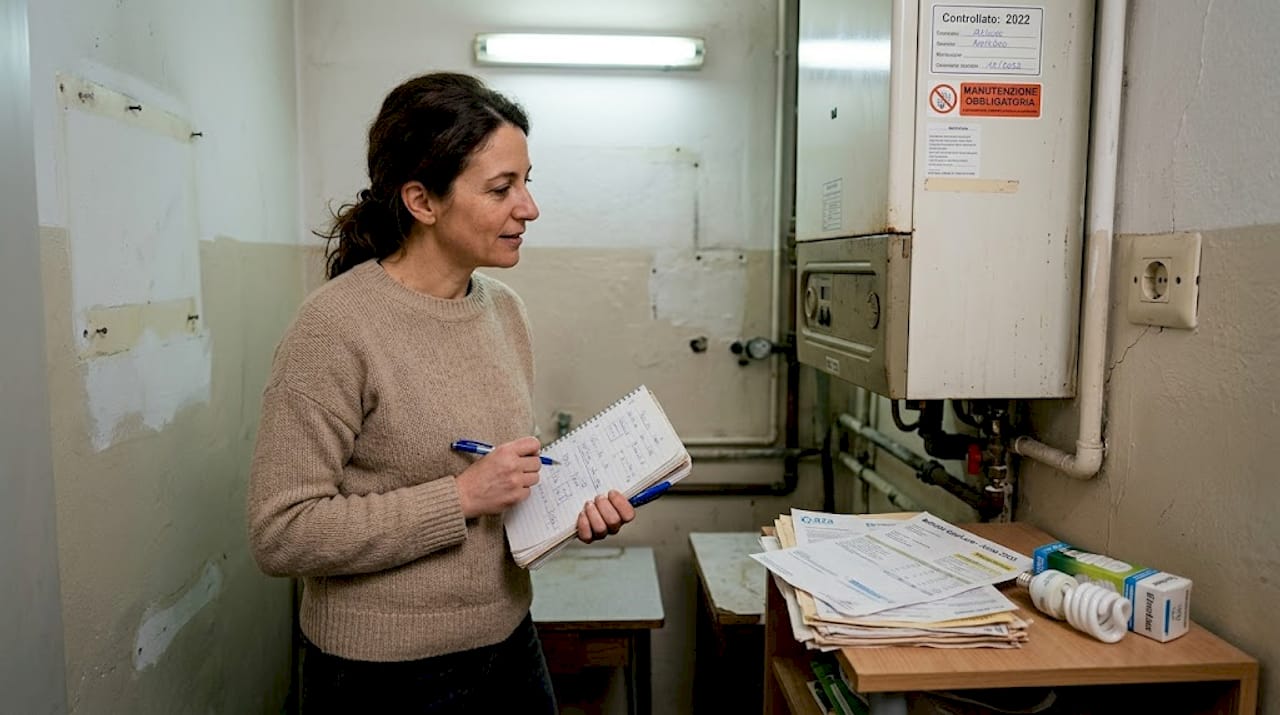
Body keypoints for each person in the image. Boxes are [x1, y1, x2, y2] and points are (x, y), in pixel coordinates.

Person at [247, 72, 636, 713]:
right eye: (501, 189)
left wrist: (569, 510)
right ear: (423, 202)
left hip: (509, 646)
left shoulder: (504, 311)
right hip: (381, 677)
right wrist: (459, 496)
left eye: (527, 181)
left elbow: (497, 491)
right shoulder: (334, 327)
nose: (529, 208)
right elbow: (282, 531)